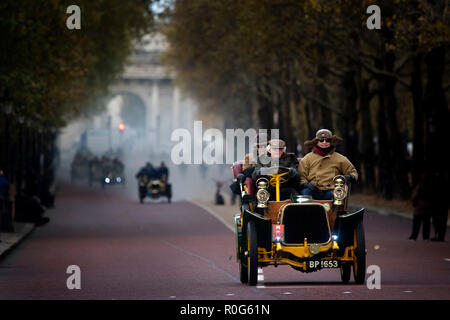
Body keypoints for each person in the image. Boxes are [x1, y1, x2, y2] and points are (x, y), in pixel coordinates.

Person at [299, 129, 358, 200]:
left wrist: (347, 177)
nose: (324, 142)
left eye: (327, 140)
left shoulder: (340, 158)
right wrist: (306, 184)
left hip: (331, 191)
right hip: (313, 190)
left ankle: (337, 211)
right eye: (321, 140)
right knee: (305, 194)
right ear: (316, 142)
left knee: (337, 195)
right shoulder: (307, 158)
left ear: (331, 142)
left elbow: (353, 172)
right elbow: (301, 175)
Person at [409, 172, 432, 240]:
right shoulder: (431, 185)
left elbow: (415, 196)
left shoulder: (420, 186)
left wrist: (414, 202)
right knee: (426, 221)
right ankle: (426, 236)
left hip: (420, 204)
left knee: (417, 220)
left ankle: (414, 235)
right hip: (428, 205)